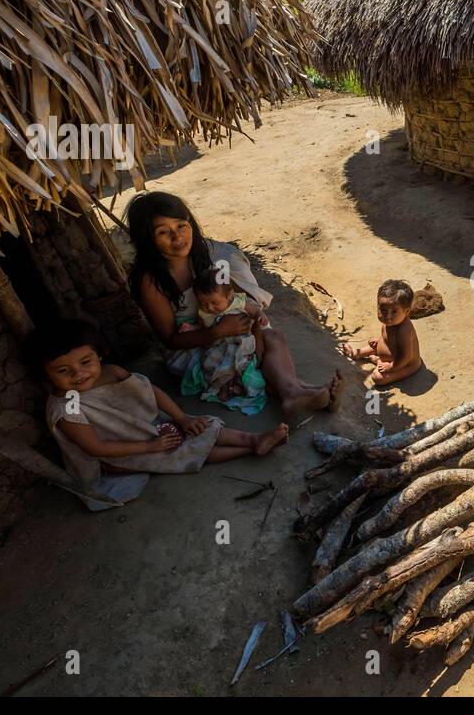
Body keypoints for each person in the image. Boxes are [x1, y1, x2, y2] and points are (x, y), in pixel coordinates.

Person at [126, 191, 342, 417]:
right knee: (247, 359)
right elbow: (170, 340)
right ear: (146, 238)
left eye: (181, 225)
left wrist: (251, 315)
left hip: (227, 329)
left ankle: (296, 392)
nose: (177, 237)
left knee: (273, 336)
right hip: (194, 347)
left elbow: (232, 295)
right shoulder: (150, 282)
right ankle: (299, 392)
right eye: (163, 232)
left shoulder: (205, 254)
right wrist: (217, 332)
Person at [30, 320, 288, 509]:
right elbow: (96, 448)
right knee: (180, 451)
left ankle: (254, 439)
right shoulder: (65, 410)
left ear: (98, 355)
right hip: (116, 456)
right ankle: (250, 448)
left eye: (85, 362)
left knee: (202, 427)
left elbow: (151, 392)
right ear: (46, 375)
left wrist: (182, 418)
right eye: (63, 371)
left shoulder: (113, 373)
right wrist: (151, 445)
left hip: (144, 429)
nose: (78, 374)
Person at [183, 268, 269, 412]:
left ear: (229, 295)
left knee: (242, 364)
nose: (209, 307)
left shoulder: (238, 301)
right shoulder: (203, 312)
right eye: (204, 303)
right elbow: (202, 327)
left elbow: (254, 311)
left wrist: (261, 316)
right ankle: (223, 388)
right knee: (215, 365)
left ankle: (238, 385)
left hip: (241, 342)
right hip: (220, 345)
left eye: (215, 303)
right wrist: (191, 328)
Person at [340, 279, 422, 387]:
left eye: (394, 311)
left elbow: (405, 356)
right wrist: (379, 340)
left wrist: (392, 367)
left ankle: (377, 360)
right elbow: (389, 339)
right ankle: (358, 353)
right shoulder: (391, 322)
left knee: (378, 378)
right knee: (375, 345)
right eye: (383, 310)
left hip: (406, 365)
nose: (387, 316)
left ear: (406, 312)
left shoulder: (404, 330)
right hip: (392, 355)